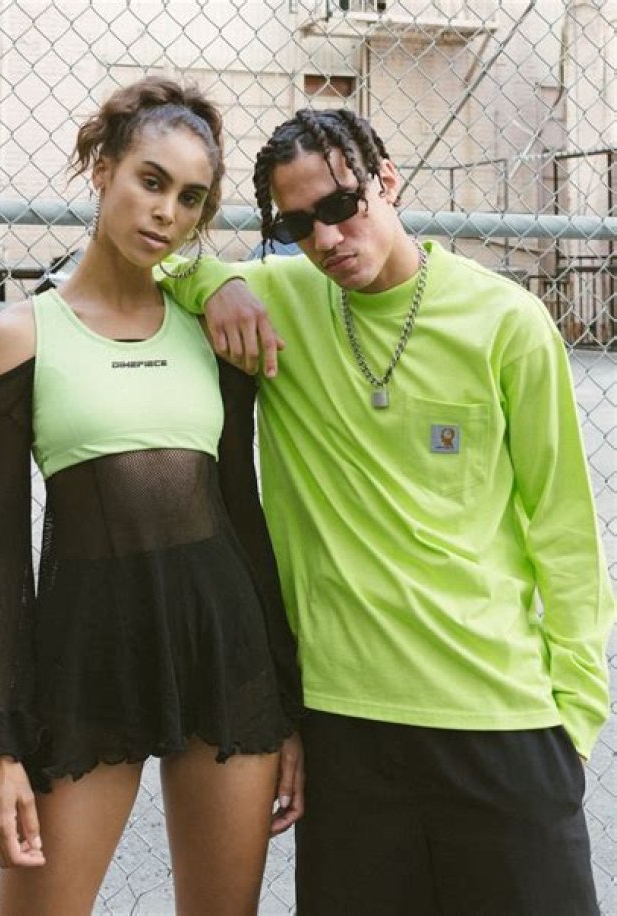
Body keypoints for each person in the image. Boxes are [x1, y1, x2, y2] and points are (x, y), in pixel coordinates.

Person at [160, 108, 616, 915]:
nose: (328, 238)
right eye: (297, 225)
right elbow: (150, 260)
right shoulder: (278, 301)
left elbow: (565, 532)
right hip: (346, 729)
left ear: (387, 180)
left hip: (501, 719)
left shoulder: (505, 321)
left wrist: (575, 719)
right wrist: (220, 283)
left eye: (342, 206)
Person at [0, 77, 304, 916]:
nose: (167, 212)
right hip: (87, 660)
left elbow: (242, 514)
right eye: (151, 180)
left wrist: (286, 708)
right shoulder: (20, 334)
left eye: (191, 197)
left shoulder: (214, 330)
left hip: (223, 651)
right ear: (102, 169)